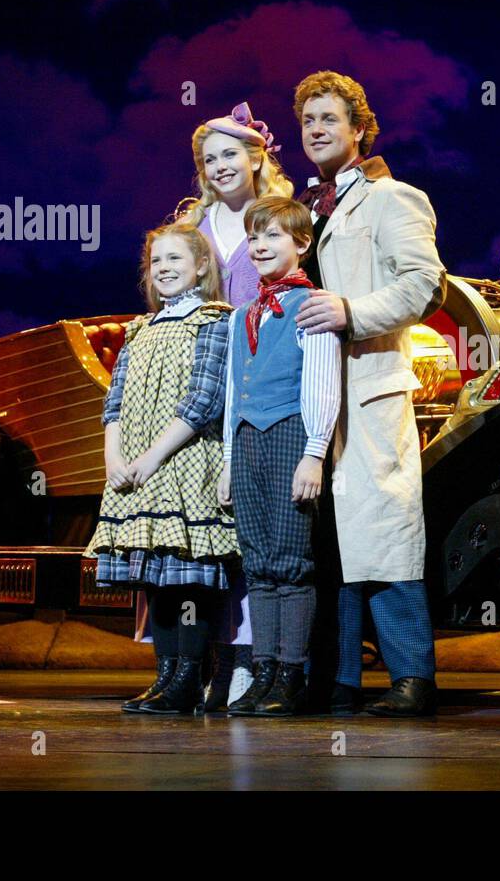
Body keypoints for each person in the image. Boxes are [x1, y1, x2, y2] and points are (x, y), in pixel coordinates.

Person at [292, 70, 446, 716]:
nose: (317, 130)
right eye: (308, 121)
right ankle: (340, 680)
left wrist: (349, 310)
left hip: (370, 388)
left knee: (382, 533)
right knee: (332, 541)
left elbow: (425, 284)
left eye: (329, 118)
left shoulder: (391, 199)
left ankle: (412, 677)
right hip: (316, 394)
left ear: (360, 129)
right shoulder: (308, 208)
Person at [171, 101, 293, 709]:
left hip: (255, 386)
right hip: (197, 385)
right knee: (193, 533)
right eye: (208, 158)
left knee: (248, 532)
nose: (219, 166)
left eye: (229, 154)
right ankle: (188, 663)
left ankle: (247, 662)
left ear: (256, 158)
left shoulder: (276, 226)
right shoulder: (193, 230)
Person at [86, 223, 237, 714]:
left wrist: (152, 457)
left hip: (183, 465)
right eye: (156, 262)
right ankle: (165, 676)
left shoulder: (213, 322)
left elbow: (205, 399)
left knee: (185, 576)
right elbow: (114, 402)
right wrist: (115, 458)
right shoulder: (139, 330)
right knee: (157, 579)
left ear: (200, 267)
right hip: (134, 468)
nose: (164, 269)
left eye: (175, 259)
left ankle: (189, 679)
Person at [219, 196, 341, 716]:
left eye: (272, 236)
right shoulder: (242, 315)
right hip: (247, 441)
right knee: (260, 564)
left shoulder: (311, 305)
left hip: (291, 434)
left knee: (291, 564)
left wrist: (314, 453)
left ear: (301, 244)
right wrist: (227, 460)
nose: (261, 245)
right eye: (254, 237)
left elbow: (321, 383)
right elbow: (231, 395)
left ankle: (291, 676)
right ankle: (263, 672)